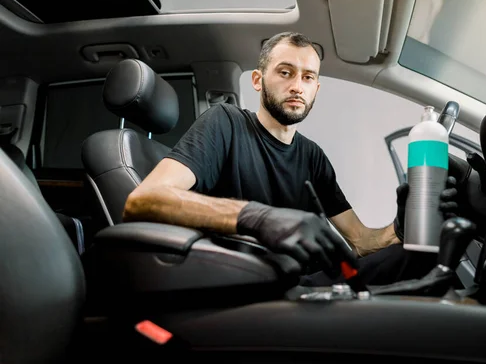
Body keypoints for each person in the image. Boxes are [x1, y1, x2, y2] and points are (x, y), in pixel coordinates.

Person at [122, 31, 459, 286]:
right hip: (258, 285)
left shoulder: (313, 157)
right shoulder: (225, 123)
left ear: (316, 89)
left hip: (311, 282)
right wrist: (260, 218)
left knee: (423, 257)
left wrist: (403, 223)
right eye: (285, 72)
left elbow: (361, 242)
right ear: (258, 80)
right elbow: (143, 200)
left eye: (308, 77)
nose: (298, 85)